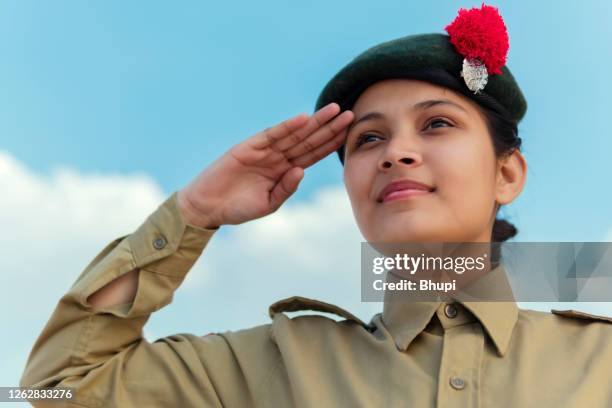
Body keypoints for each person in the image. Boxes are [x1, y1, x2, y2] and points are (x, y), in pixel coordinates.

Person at [20, 4, 612, 407]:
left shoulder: (599, 360)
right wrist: (193, 214)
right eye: (369, 139)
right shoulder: (272, 364)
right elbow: (55, 390)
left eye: (436, 124)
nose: (397, 153)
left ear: (507, 172)